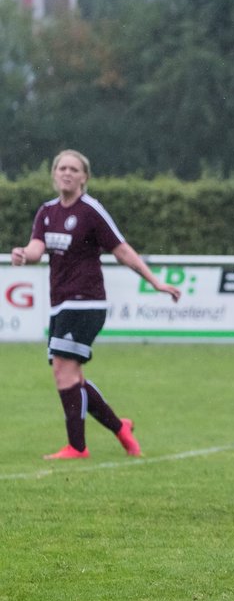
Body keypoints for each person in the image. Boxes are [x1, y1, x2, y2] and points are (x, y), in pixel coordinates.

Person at [9, 149, 182, 460]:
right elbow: (37, 248)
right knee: (71, 377)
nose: (67, 173)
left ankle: (77, 447)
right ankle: (120, 428)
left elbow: (121, 249)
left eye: (74, 169)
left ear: (84, 178)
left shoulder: (90, 210)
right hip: (60, 303)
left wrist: (154, 281)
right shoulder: (47, 212)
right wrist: (23, 253)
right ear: (54, 174)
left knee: (64, 372)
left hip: (86, 303)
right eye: (62, 167)